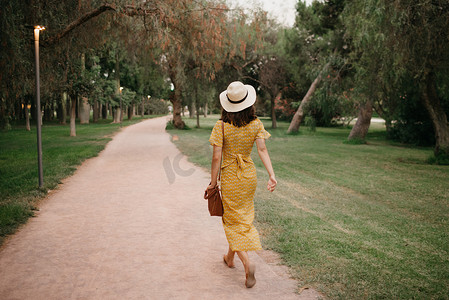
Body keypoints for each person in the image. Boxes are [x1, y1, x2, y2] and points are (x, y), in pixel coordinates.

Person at [208, 81, 277, 288]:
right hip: (248, 175)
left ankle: (247, 264)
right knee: (241, 218)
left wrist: (213, 184)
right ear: (249, 103)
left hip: (230, 176)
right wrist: (272, 175)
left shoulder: (221, 126)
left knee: (231, 221)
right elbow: (262, 151)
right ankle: (230, 259)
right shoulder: (256, 124)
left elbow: (216, 158)